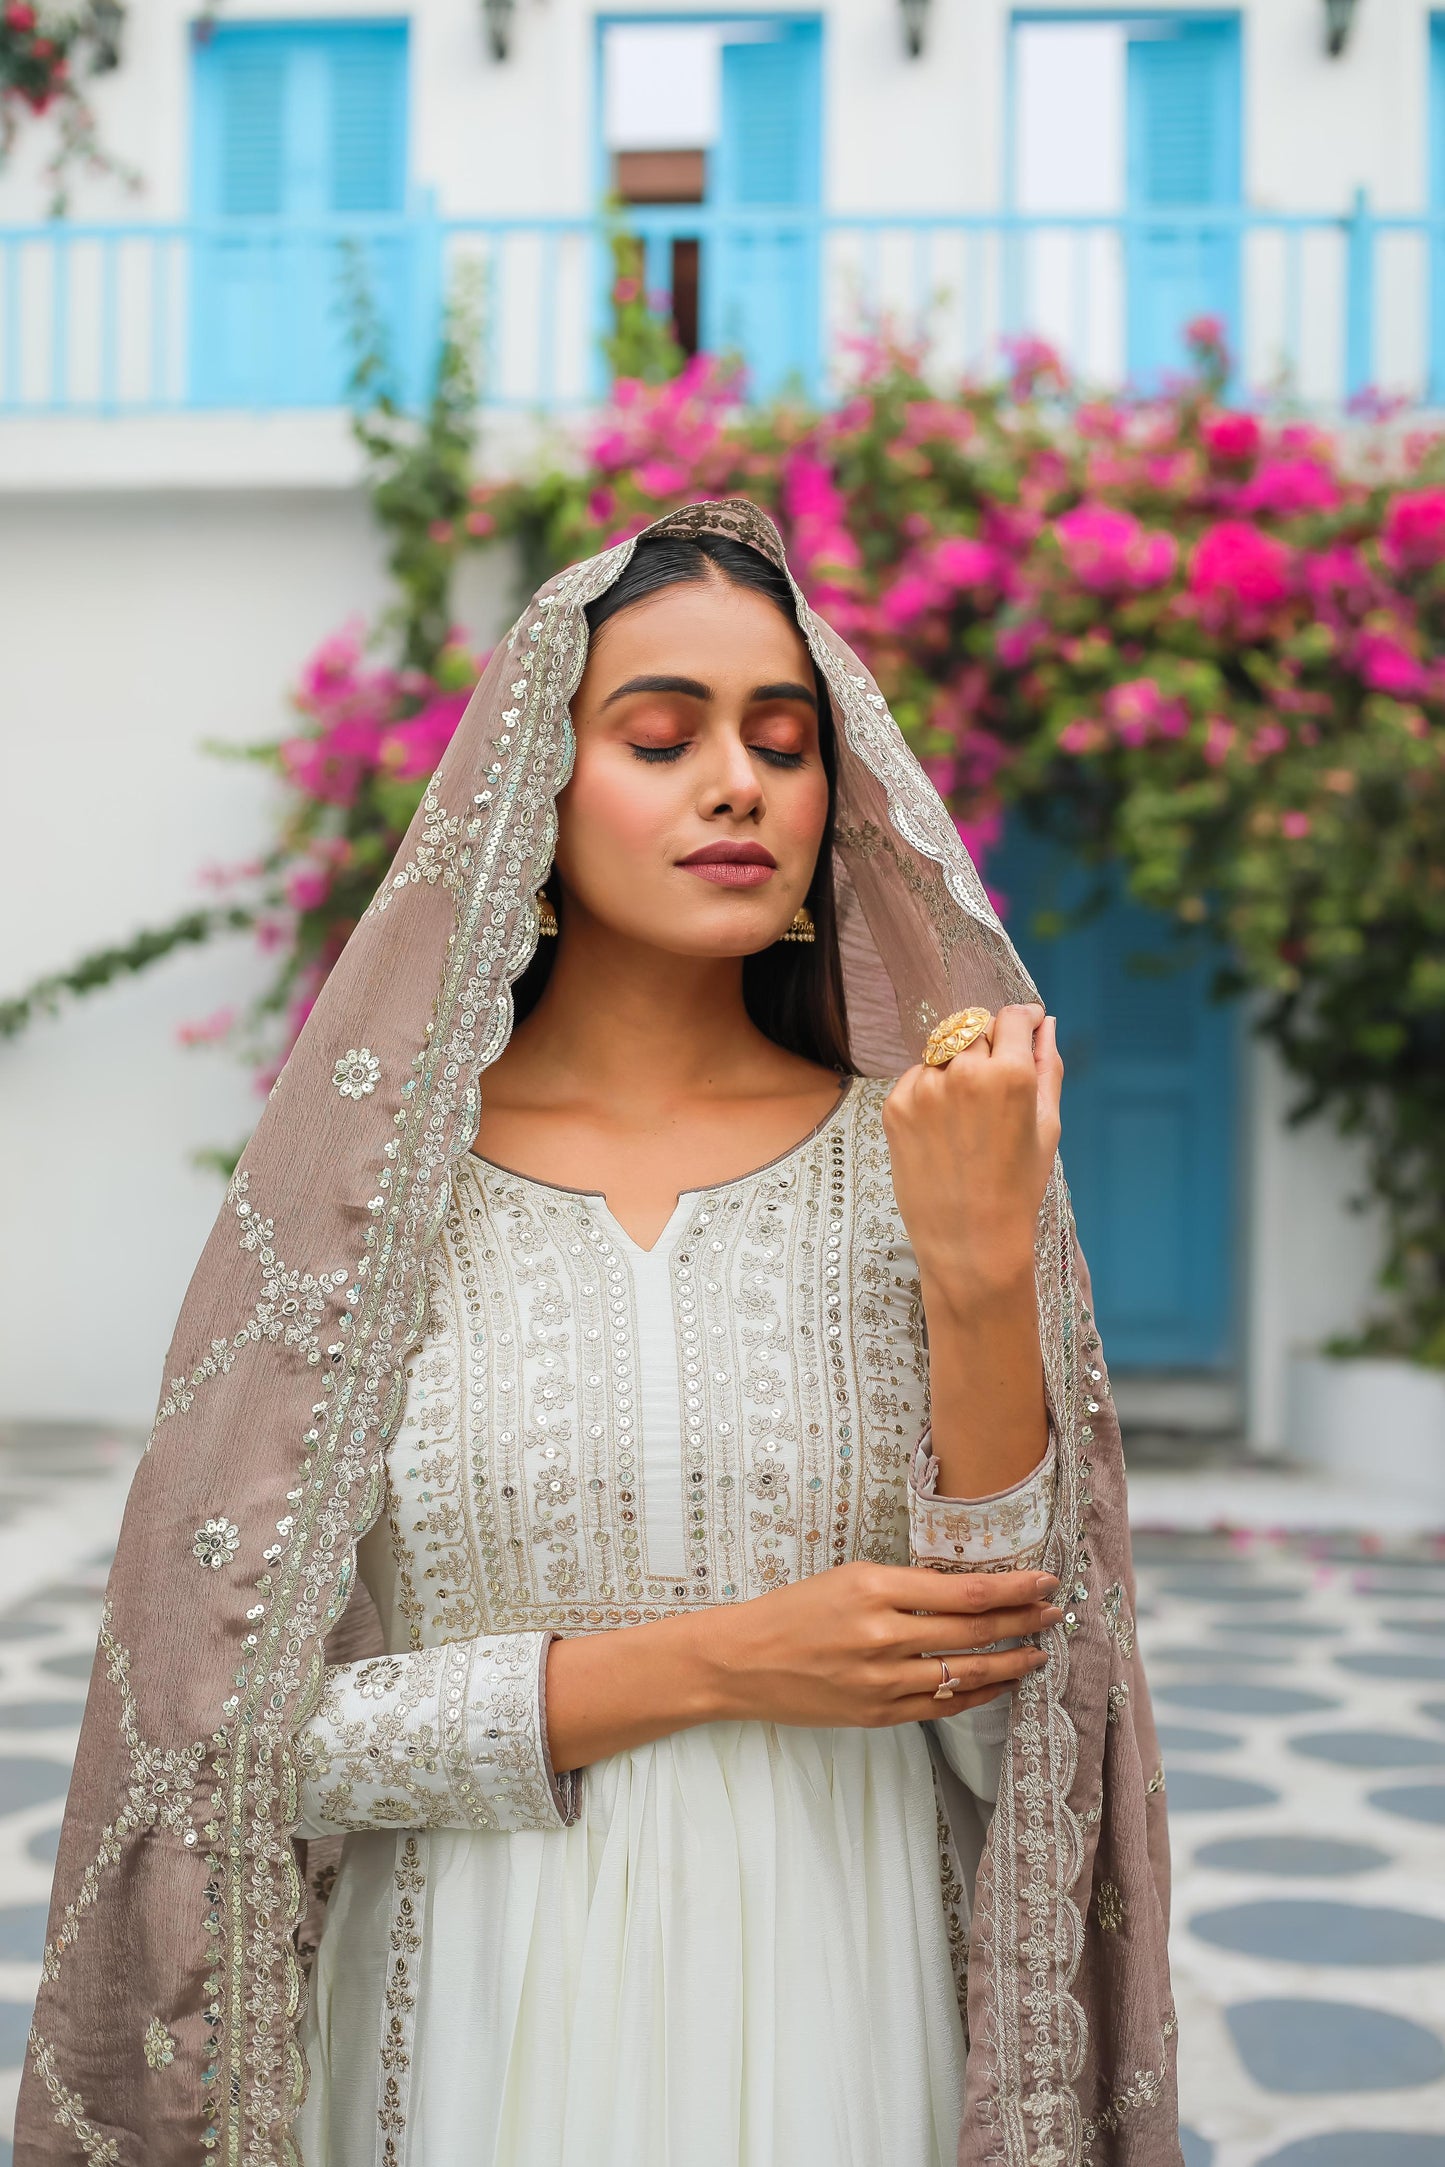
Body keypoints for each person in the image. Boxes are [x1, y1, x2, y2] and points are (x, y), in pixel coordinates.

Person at [17, 503, 1179, 2167]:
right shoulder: (361, 1204)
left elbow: (1024, 1739)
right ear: (531, 795)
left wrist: (983, 1271)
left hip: (842, 2018)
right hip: (465, 2026)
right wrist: (707, 1665)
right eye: (660, 735)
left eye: (785, 744)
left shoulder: (917, 1158)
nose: (738, 784)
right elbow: (230, 1750)